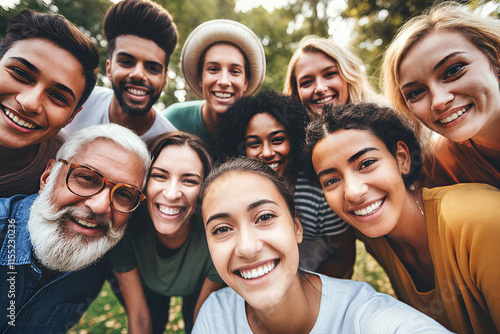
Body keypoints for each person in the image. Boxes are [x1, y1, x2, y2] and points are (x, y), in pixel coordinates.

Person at [193, 156, 450, 333]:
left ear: (297, 227)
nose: (248, 248)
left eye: (265, 217)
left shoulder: (361, 314)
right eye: (222, 229)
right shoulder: (216, 315)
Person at [306, 102, 500, 333]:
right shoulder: (371, 234)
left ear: (402, 158)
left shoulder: (480, 219)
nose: (353, 192)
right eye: (331, 180)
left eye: (366, 163)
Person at [0, 123, 150, 333]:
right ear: (47, 178)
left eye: (124, 194)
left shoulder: (102, 261)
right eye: (87, 178)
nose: (99, 206)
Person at [216, 90, 354, 278]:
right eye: (254, 144)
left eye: (277, 140)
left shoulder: (317, 195)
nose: (266, 152)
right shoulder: (234, 195)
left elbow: (343, 258)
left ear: (295, 140)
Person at [108, 132, 224, 334]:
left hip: (196, 292)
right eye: (159, 176)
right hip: (149, 288)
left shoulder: (217, 239)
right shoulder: (124, 233)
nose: (171, 194)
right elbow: (139, 317)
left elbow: (202, 321)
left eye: (189, 181)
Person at [382, 2, 500, 188]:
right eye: (416, 92)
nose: (439, 101)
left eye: (453, 70)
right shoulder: (436, 167)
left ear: (496, 58)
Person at [0, 9, 99, 197]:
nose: (29, 103)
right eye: (20, 74)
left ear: (71, 117)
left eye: (58, 97)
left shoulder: (66, 174)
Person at [64, 0, 178, 142]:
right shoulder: (77, 104)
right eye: (126, 62)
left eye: (152, 68)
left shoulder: (169, 146)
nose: (138, 74)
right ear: (109, 69)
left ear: (165, 80)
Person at [164, 19, 265, 156]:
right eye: (213, 69)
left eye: (235, 71)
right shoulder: (175, 120)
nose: (224, 81)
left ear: (246, 82)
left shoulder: (257, 127)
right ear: (200, 78)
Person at [283, 35, 378, 118]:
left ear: (348, 74)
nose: (320, 88)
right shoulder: (288, 136)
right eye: (307, 82)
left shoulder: (384, 125)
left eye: (329, 74)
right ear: (296, 93)